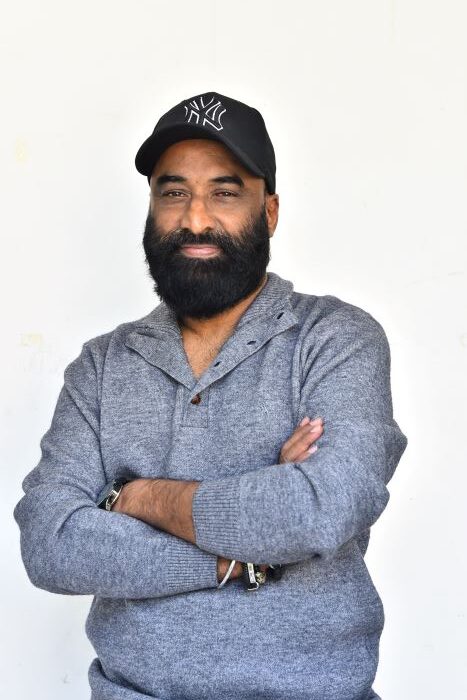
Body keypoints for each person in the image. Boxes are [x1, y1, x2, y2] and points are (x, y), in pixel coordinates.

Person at [14, 90, 408, 700]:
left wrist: (137, 496)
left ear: (269, 212)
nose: (195, 220)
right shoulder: (102, 366)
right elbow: (50, 543)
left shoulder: (334, 339)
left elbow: (320, 508)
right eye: (174, 193)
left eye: (225, 193)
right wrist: (241, 557)